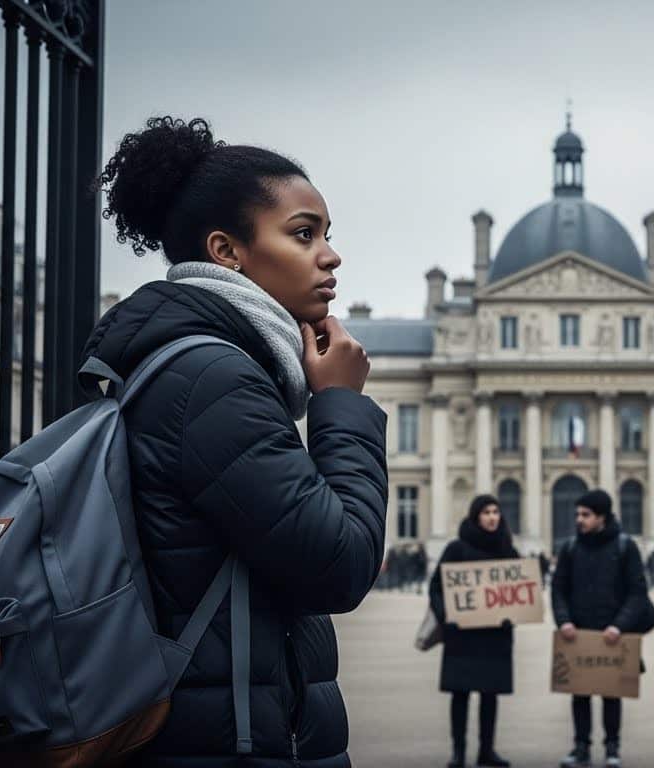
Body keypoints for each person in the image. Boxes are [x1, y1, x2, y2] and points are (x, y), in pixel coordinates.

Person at [87, 116, 386, 766]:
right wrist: (341, 405)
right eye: (304, 233)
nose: (330, 255)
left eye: (327, 235)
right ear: (226, 251)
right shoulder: (213, 379)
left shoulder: (196, 365)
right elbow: (340, 567)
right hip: (224, 742)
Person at [552, 490, 650, 768]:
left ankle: (612, 746)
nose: (579, 520)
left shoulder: (625, 547)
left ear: (601, 517)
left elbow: (637, 592)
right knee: (579, 693)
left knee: (611, 694)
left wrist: (620, 625)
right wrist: (564, 621)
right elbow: (558, 590)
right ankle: (581, 747)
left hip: (612, 632)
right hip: (579, 631)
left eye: (585, 515)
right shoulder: (570, 548)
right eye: (577, 515)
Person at [429, 495, 520, 767]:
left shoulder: (507, 550)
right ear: (475, 516)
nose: (493, 517)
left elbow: (519, 593)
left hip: (494, 635)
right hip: (463, 634)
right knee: (461, 694)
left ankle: (486, 750)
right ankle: (459, 752)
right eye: (486, 512)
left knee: (490, 695)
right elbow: (437, 587)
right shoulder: (457, 549)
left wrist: (511, 615)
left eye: (496, 512)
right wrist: (447, 615)